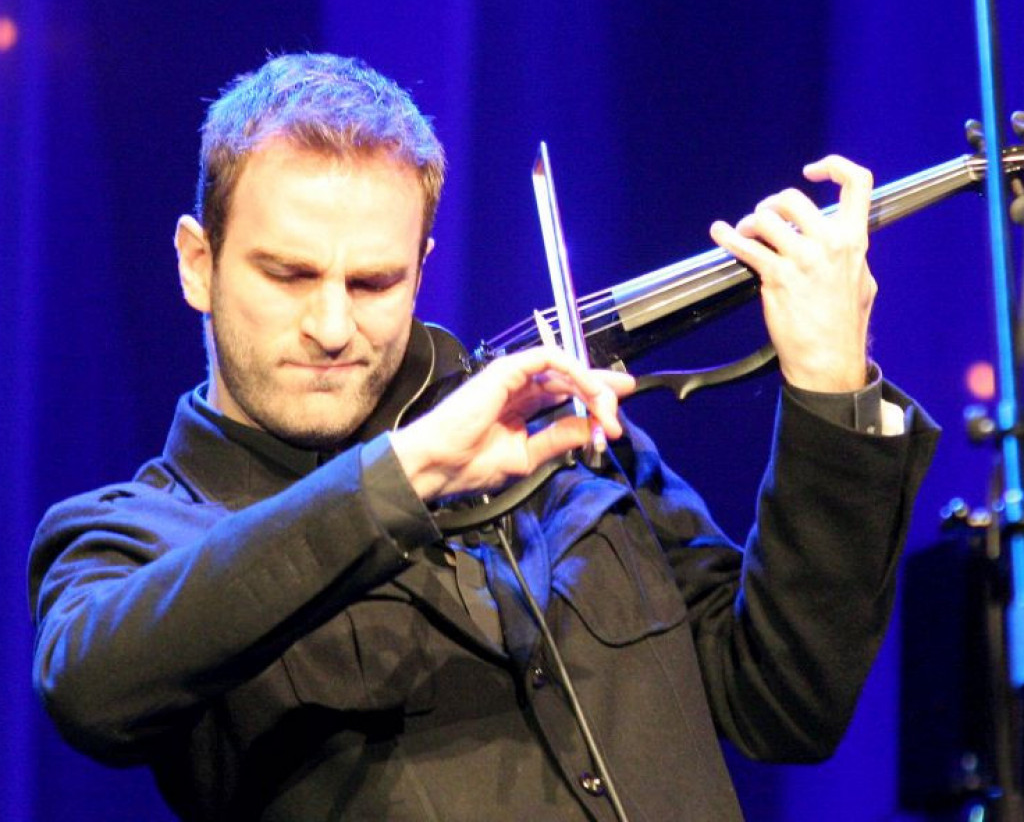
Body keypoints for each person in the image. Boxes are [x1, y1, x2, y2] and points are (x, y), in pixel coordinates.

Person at [28, 52, 938, 822]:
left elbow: (786, 704)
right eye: (289, 275)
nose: (334, 327)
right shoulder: (136, 533)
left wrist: (830, 390)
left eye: (374, 283)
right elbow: (91, 689)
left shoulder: (563, 446)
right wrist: (405, 476)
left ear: (421, 270)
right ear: (198, 263)